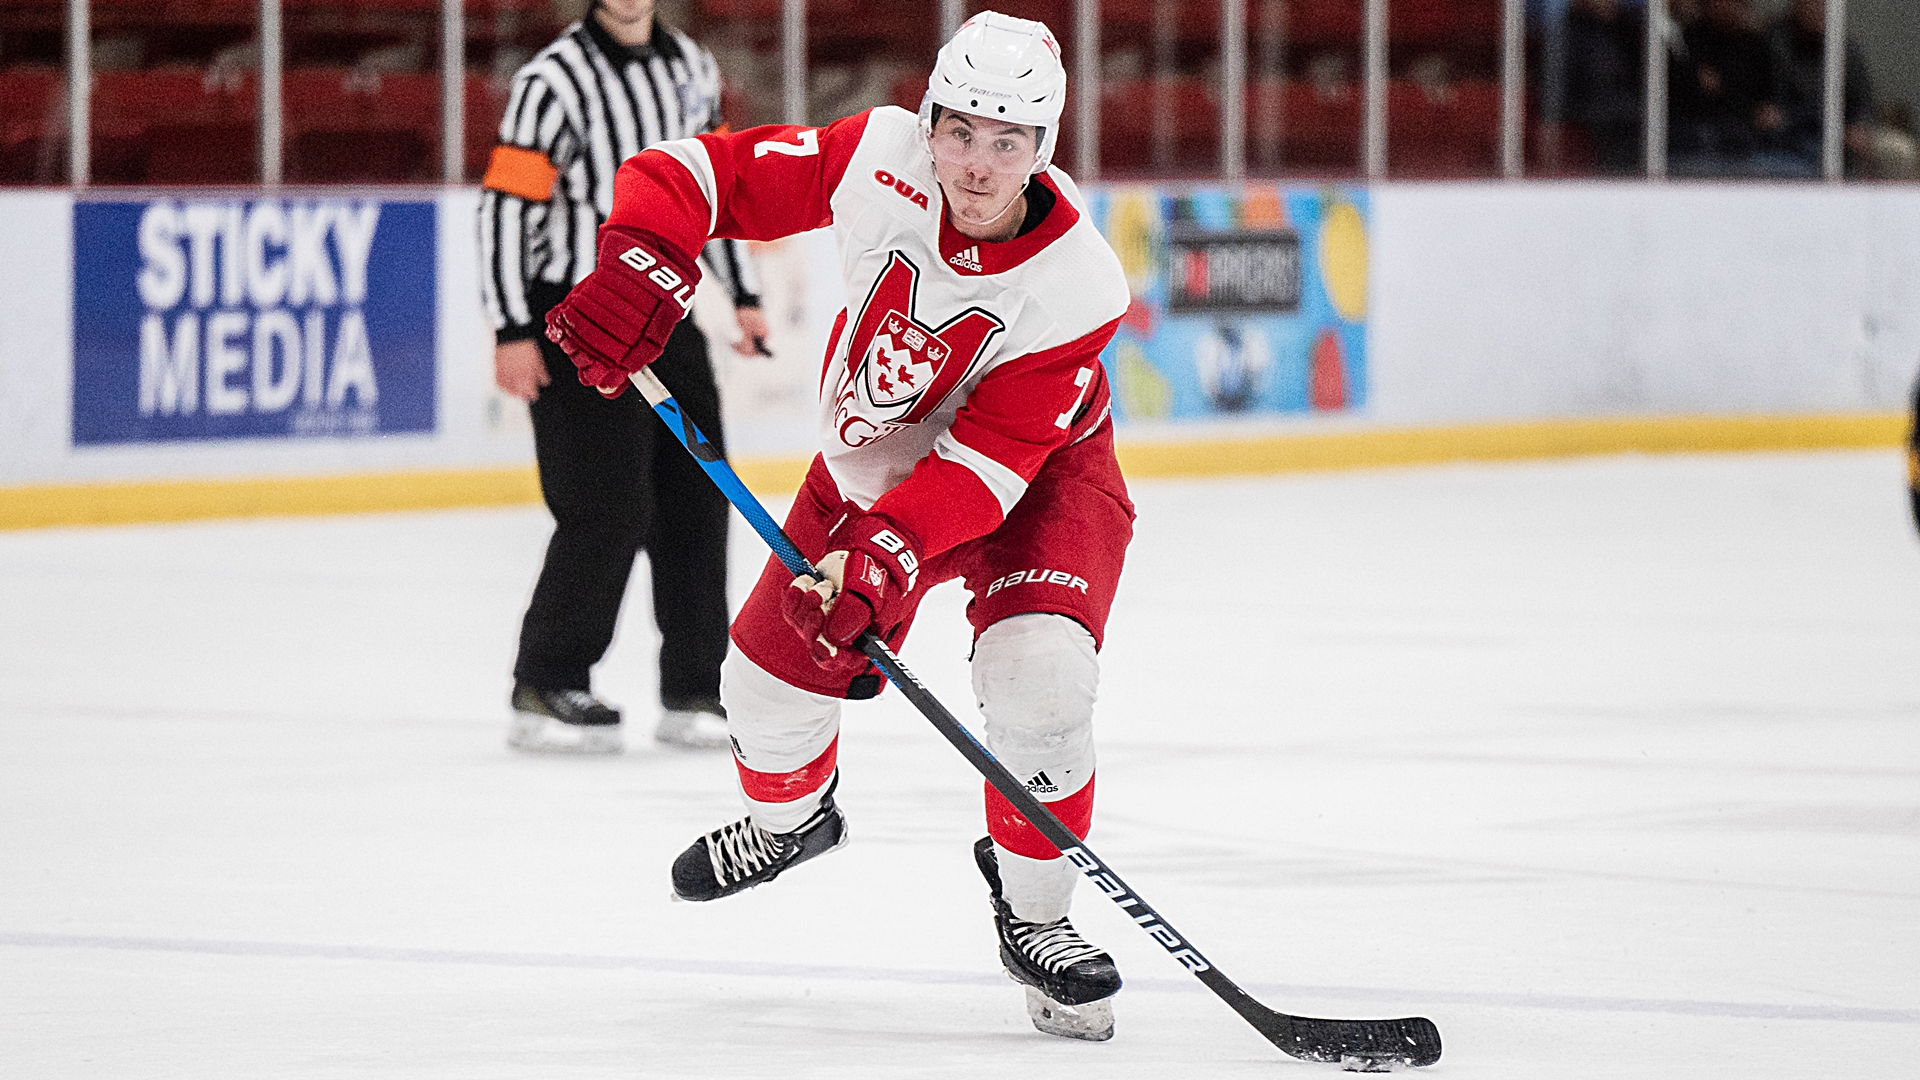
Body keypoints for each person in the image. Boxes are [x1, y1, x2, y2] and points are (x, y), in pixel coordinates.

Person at [546, 11, 1135, 1042]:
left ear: (1043, 149)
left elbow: (986, 469)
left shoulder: (1079, 284)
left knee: (1042, 679)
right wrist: (644, 255)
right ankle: (793, 824)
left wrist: (885, 558)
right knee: (762, 689)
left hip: (1037, 482)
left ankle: (1038, 919)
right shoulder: (876, 155)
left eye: (1008, 142)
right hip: (876, 461)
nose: (978, 164)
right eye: (960, 132)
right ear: (930, 120)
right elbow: (693, 172)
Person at [478, 0, 770, 753]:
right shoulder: (552, 81)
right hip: (575, 310)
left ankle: (695, 689)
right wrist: (512, 326)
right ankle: (548, 680)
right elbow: (507, 206)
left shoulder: (692, 67)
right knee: (606, 504)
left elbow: (721, 191)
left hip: (668, 311)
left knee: (698, 497)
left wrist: (743, 294)